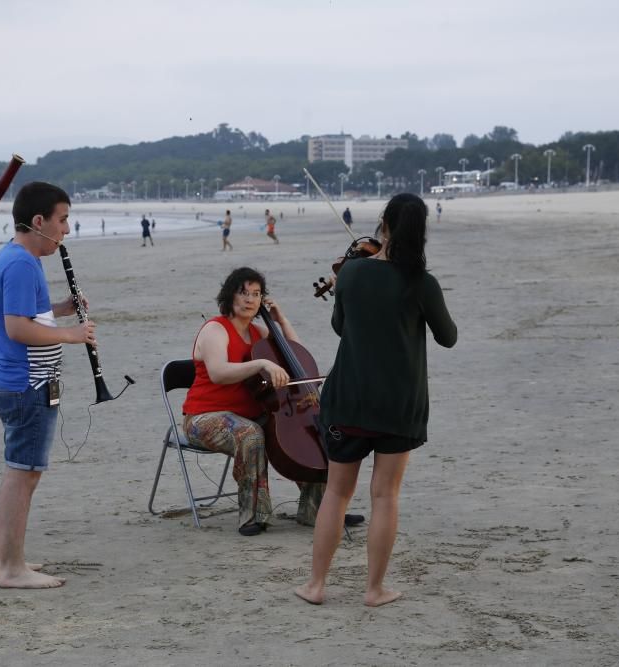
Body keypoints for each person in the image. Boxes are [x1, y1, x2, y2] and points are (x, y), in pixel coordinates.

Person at [295, 193, 457, 607]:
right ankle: (374, 590)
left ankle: (315, 585)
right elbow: (448, 337)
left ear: (382, 222)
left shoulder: (351, 273)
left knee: (336, 492)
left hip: (349, 399)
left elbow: (339, 327)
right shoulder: (423, 282)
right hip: (398, 405)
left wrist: (350, 278)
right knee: (385, 495)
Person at [182, 267, 364, 536]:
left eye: (256, 294)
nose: (250, 299)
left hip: (251, 414)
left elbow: (297, 354)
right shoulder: (215, 329)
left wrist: (281, 321)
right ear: (230, 296)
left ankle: (319, 510)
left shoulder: (258, 331)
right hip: (204, 417)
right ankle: (253, 515)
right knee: (251, 435)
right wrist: (262, 364)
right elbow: (219, 373)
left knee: (306, 433)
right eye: (243, 293)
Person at [0, 181, 96, 589]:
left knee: (19, 470)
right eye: (62, 220)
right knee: (23, 473)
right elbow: (17, 328)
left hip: (18, 381)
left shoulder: (17, 259)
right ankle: (13, 568)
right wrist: (73, 334)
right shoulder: (22, 263)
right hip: (25, 383)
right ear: (38, 221)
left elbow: (29, 313)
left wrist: (62, 308)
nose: (66, 229)